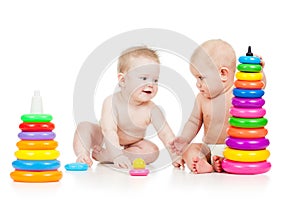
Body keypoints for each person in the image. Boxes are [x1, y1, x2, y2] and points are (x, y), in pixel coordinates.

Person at [73, 46, 183, 169]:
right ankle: (83, 155)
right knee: (84, 127)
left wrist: (175, 156)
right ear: (123, 80)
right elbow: (108, 130)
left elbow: (166, 134)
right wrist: (116, 154)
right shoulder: (111, 102)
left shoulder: (152, 109)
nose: (151, 84)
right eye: (144, 78)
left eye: (155, 80)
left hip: (132, 144)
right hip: (103, 139)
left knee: (153, 151)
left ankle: (108, 157)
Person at [170, 39, 265, 174]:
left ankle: (222, 161)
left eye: (201, 78)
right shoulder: (201, 99)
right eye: (196, 79)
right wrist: (183, 140)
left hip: (234, 148)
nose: (197, 84)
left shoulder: (238, 93)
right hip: (207, 148)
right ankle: (202, 163)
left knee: (237, 155)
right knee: (190, 150)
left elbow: (258, 87)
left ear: (223, 74)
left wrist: (257, 71)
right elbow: (193, 122)